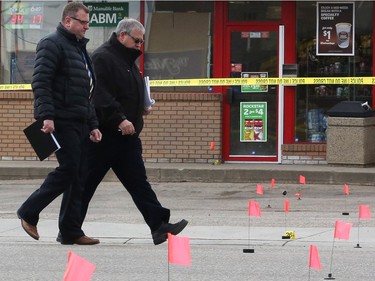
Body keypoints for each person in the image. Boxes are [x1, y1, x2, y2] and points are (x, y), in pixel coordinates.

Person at [78, 18, 188, 245]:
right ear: (122, 36)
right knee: (85, 184)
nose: (140, 45)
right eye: (137, 40)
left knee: (139, 183)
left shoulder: (127, 60)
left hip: (127, 138)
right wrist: (119, 119)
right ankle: (69, 228)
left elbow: (128, 91)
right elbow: (100, 95)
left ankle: (159, 226)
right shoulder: (103, 57)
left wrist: (142, 107)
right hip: (105, 136)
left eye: (142, 41)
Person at [17, 2, 102, 245]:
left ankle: (70, 230)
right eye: (83, 22)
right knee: (70, 169)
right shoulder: (51, 43)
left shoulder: (80, 49)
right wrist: (47, 116)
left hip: (81, 121)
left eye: (87, 22)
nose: (86, 27)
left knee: (80, 174)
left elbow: (87, 90)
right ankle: (29, 211)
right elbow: (41, 82)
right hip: (61, 120)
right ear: (67, 21)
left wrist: (93, 123)